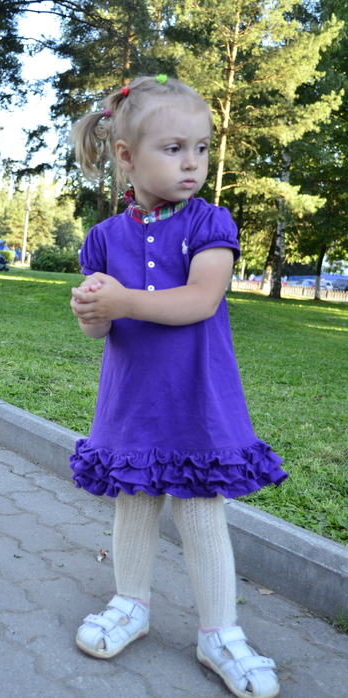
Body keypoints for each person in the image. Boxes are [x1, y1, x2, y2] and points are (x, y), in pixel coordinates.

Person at [69, 76, 287, 698]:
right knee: (134, 505)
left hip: (197, 401)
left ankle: (220, 632)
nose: (192, 162)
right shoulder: (104, 238)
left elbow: (200, 300)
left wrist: (123, 300)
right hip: (133, 402)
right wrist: (93, 312)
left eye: (201, 147)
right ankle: (130, 604)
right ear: (127, 156)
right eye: (173, 148)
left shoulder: (209, 222)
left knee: (199, 511)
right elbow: (100, 327)